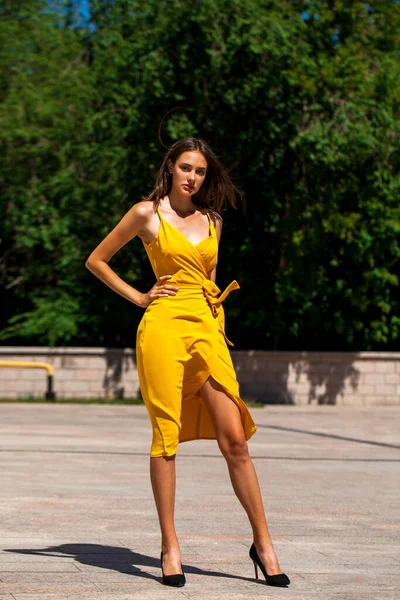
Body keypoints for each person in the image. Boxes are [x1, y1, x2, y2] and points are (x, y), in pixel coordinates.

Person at [85, 137, 290, 588]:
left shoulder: (214, 220)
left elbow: (211, 282)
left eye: (199, 171)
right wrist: (140, 296)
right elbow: (97, 260)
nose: (192, 177)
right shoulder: (147, 213)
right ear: (171, 168)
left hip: (207, 329)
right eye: (185, 168)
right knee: (166, 436)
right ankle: (170, 545)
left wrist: (217, 328)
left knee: (234, 438)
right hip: (162, 330)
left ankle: (263, 543)